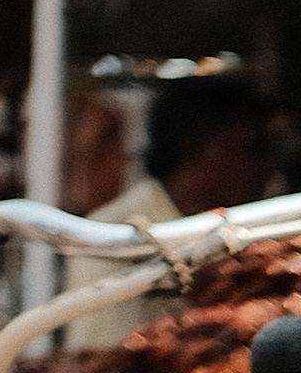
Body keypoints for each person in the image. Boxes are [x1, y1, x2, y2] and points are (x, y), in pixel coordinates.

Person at [64, 76, 284, 351]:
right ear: (196, 150)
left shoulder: (250, 230)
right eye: (254, 148)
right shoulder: (113, 237)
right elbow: (106, 365)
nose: (269, 167)